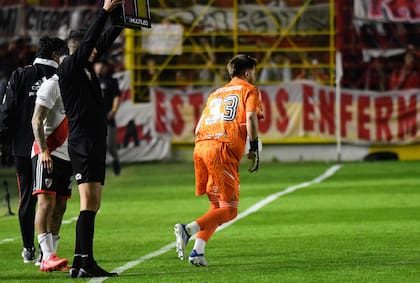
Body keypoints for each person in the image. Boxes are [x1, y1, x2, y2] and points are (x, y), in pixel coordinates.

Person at [174, 54, 264, 266]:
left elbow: (197, 127)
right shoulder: (250, 90)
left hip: (201, 146)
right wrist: (254, 148)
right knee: (230, 210)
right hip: (220, 149)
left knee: (217, 207)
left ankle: (198, 252)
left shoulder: (215, 93)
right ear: (247, 73)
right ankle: (188, 230)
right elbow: (251, 117)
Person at [57, 0, 123, 278]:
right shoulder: (70, 69)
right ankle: (85, 262)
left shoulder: (85, 68)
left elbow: (105, 38)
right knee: (88, 202)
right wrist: (105, 11)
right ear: (77, 50)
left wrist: (122, 16)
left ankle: (80, 262)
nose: (97, 50)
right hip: (83, 141)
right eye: (90, 48)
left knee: (93, 203)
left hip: (92, 140)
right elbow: (92, 41)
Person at [0, 36, 66, 264]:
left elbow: (7, 111)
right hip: (52, 147)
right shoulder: (60, 78)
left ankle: (29, 248)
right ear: (56, 54)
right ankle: (45, 251)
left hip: (21, 146)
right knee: (50, 198)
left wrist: (3, 141)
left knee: (27, 197)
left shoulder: (20, 74)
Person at [31, 67, 73, 272]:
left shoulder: (75, 85)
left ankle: (50, 255)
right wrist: (44, 151)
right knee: (45, 203)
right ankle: (47, 255)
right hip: (48, 152)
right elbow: (36, 119)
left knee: (61, 206)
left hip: (67, 155)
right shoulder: (52, 84)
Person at [94, 59, 121, 175]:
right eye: (98, 64)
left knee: (110, 145)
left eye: (102, 65)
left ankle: (115, 161)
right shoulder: (91, 80)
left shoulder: (111, 81)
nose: (100, 67)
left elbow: (117, 97)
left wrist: (114, 110)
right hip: (94, 119)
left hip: (108, 118)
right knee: (95, 146)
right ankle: (98, 168)